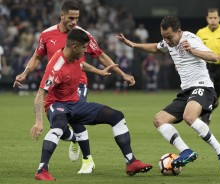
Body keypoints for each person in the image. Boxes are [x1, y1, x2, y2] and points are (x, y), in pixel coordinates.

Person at [13, 0, 135, 174]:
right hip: (56, 85)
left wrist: (122, 74)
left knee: (76, 115)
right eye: (70, 18)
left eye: (76, 18)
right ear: (61, 16)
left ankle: (87, 160)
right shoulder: (46, 35)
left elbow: (100, 56)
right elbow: (37, 57)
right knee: (60, 125)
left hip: (78, 82)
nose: (74, 22)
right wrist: (25, 74)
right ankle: (73, 139)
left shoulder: (82, 35)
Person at [31, 29, 152, 181]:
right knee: (59, 127)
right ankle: (42, 170)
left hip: (75, 103)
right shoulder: (56, 67)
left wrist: (99, 72)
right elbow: (40, 95)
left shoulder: (74, 56)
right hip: (57, 104)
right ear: (75, 47)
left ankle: (131, 162)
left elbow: (81, 65)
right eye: (83, 48)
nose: (85, 51)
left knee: (117, 116)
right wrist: (39, 122)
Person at [117, 16, 220, 173]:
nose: (167, 40)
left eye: (169, 37)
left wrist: (192, 50)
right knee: (159, 119)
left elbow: (213, 56)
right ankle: (185, 151)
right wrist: (134, 44)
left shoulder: (190, 39)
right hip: (186, 91)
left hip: (202, 87)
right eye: (164, 36)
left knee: (189, 117)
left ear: (179, 31)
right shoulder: (169, 41)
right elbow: (157, 48)